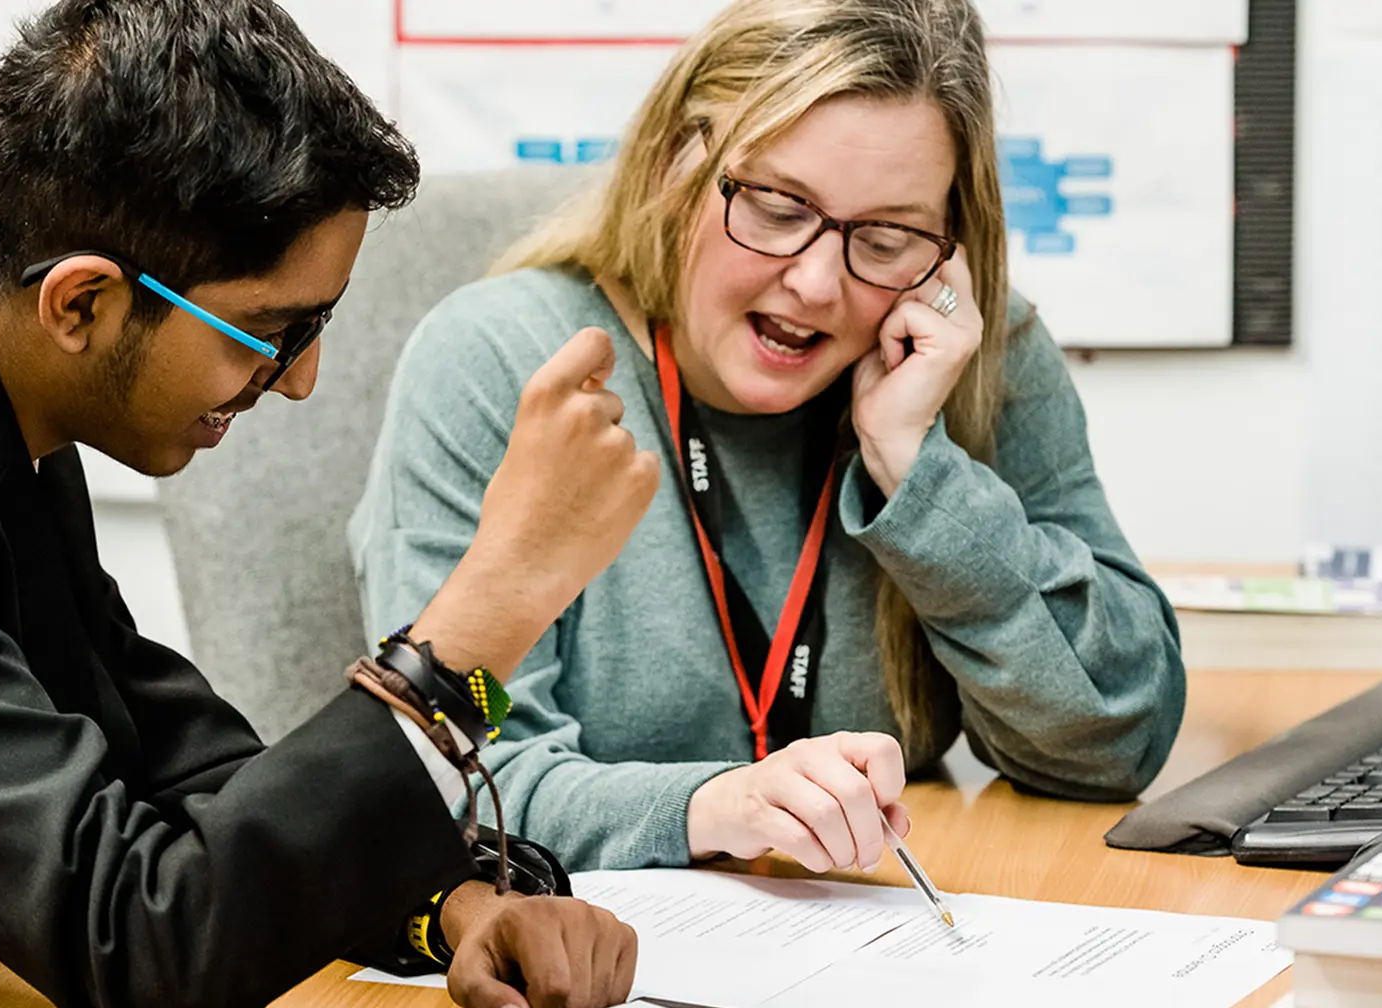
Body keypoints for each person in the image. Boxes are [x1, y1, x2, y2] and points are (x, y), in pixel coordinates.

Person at [0, 2, 655, 1008]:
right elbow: (146, 946)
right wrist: (485, 617)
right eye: (272, 329)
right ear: (82, 303)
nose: (300, 378)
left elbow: (161, 750)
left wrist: (450, 904)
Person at [351, 0, 1186, 877]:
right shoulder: (509, 365)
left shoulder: (968, 359)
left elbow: (1115, 740)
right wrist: (717, 806)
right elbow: (454, 777)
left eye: (888, 235)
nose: (818, 283)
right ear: (675, 162)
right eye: (780, 207)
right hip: (605, 969)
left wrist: (917, 472)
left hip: (880, 941)